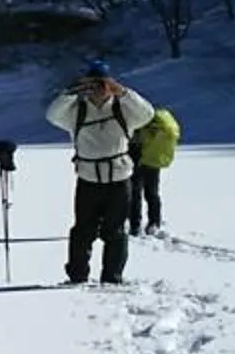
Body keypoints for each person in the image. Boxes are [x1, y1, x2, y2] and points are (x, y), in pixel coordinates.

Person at [44, 59, 155, 285]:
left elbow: (148, 114)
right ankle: (77, 276)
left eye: (102, 83)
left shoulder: (123, 108)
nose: (98, 89)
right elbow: (52, 115)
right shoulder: (77, 111)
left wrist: (122, 92)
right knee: (82, 231)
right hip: (88, 179)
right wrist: (72, 91)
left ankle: (112, 277)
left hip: (119, 178)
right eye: (94, 84)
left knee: (115, 231)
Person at [128, 105, 181, 233]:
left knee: (135, 193)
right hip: (153, 161)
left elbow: (131, 140)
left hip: (138, 159)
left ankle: (135, 225)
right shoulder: (157, 124)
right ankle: (154, 223)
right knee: (152, 193)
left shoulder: (140, 122)